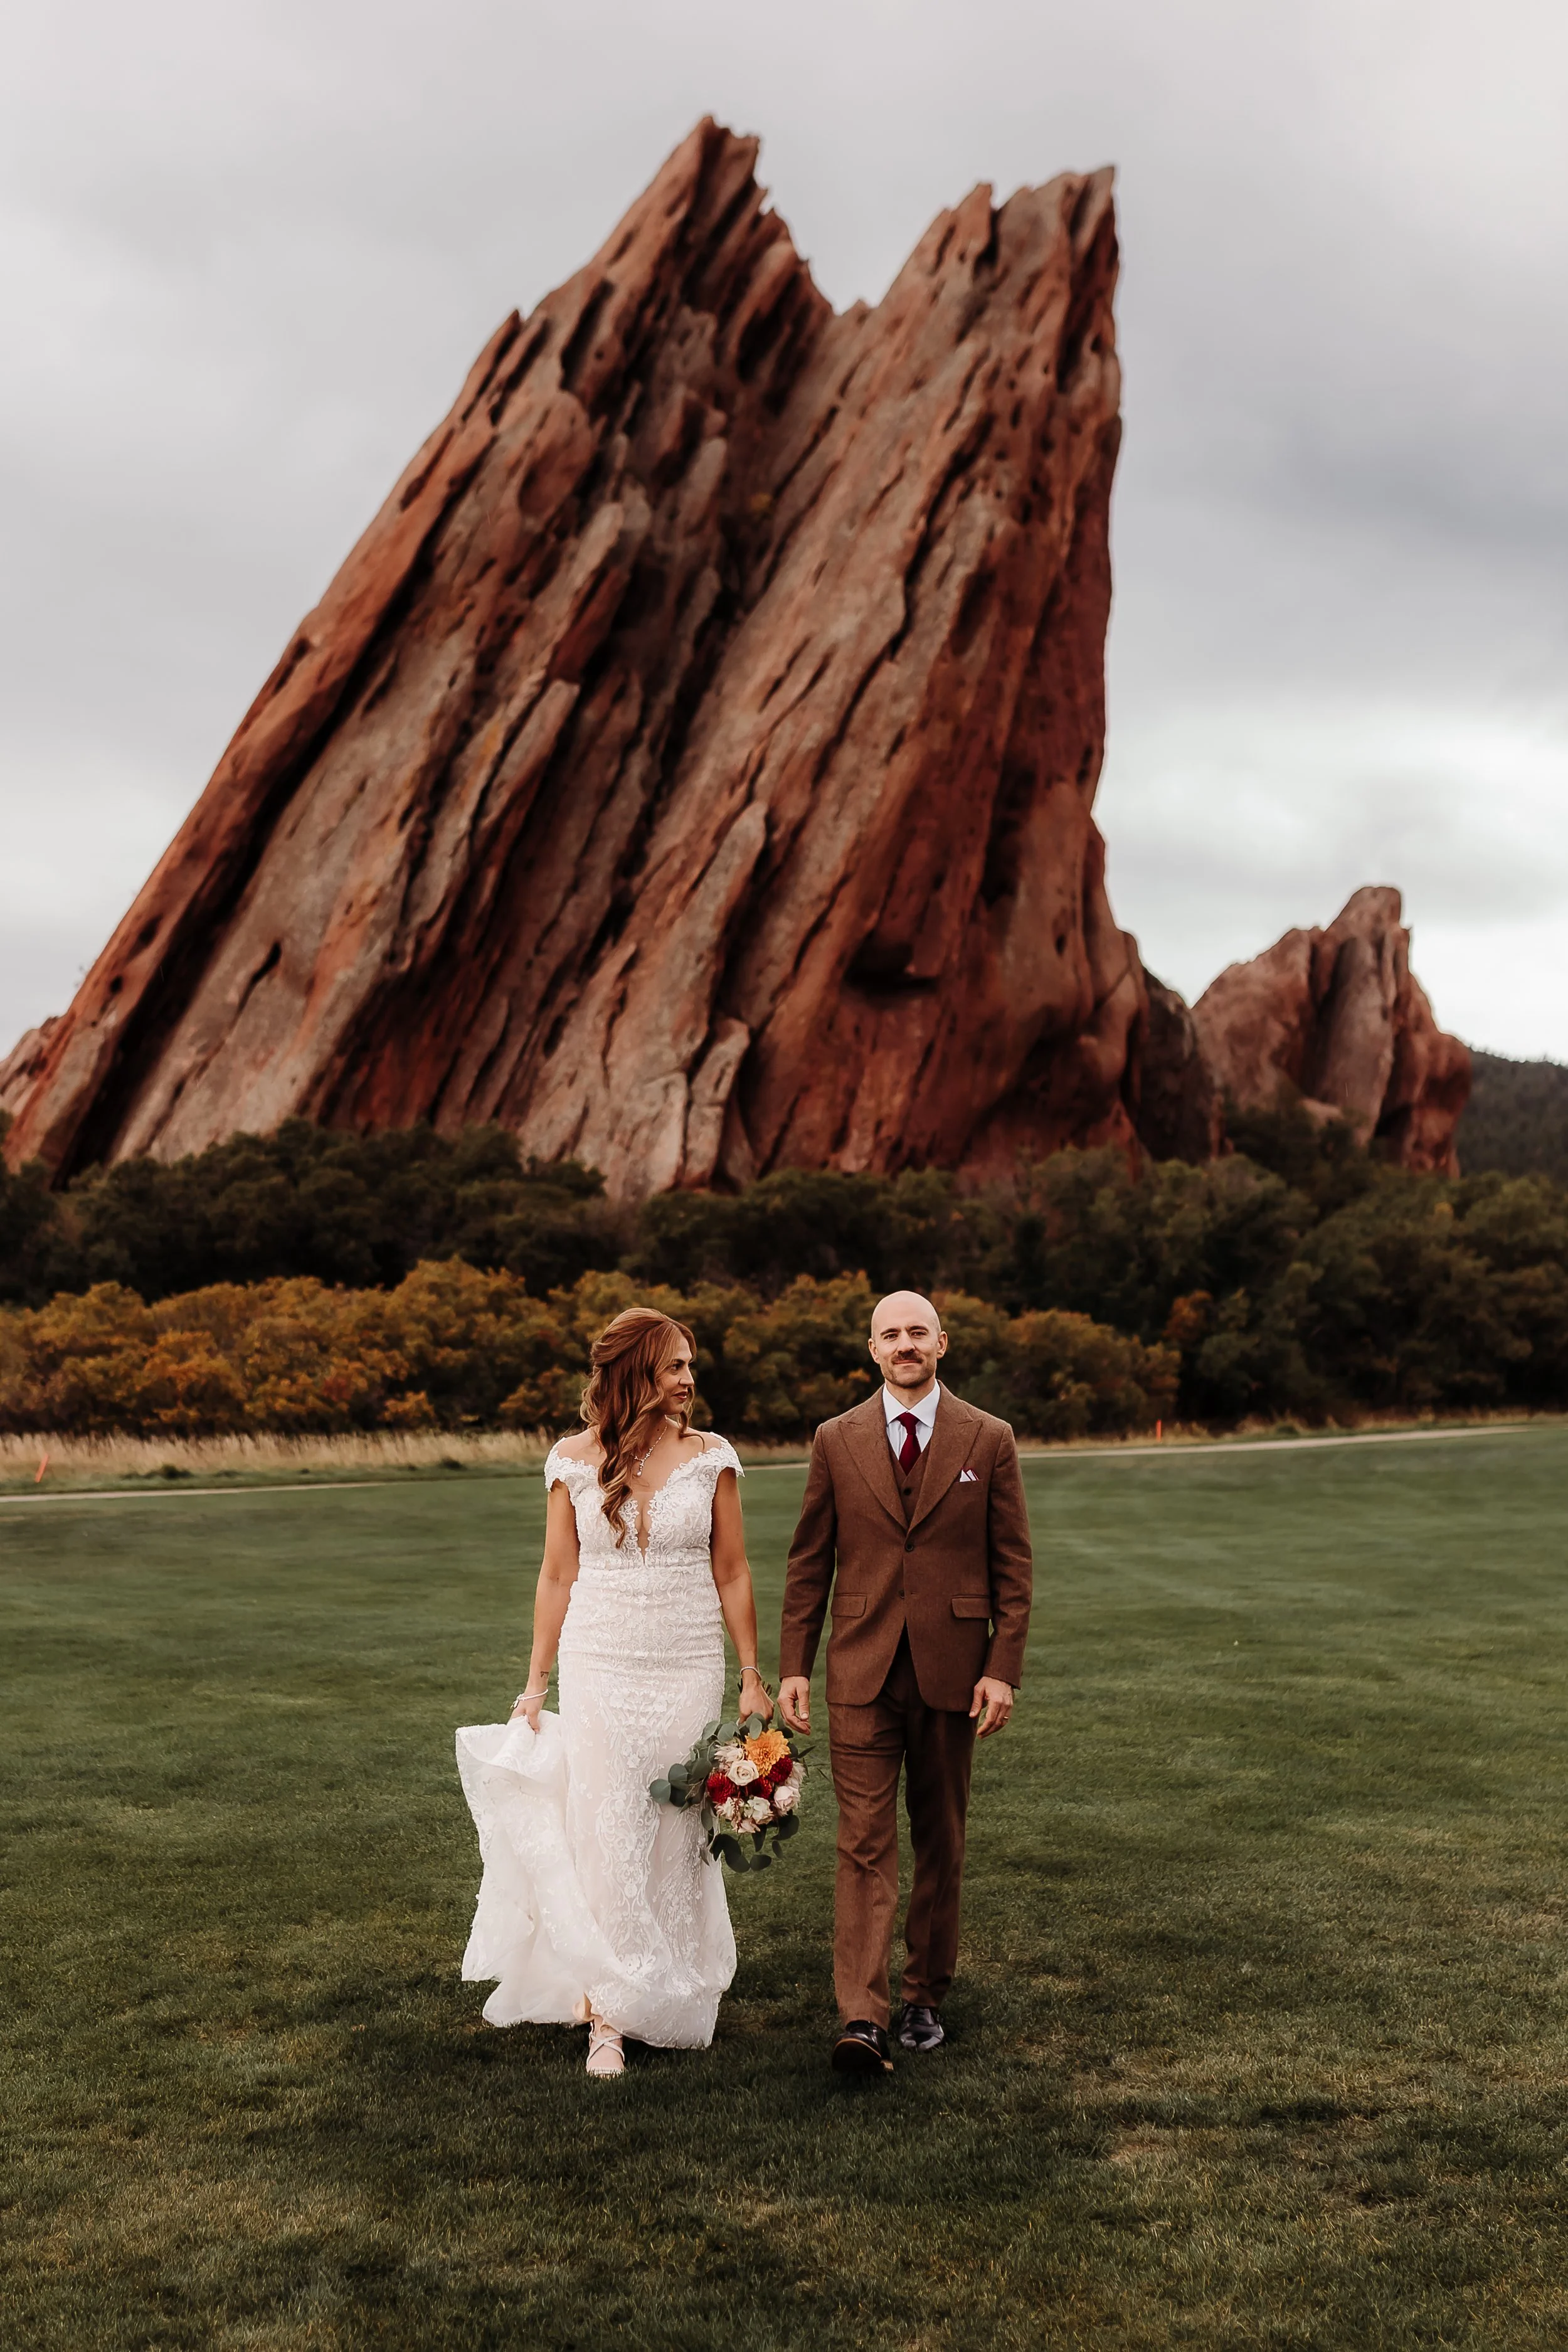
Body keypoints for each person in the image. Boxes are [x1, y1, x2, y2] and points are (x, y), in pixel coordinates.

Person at [456, 1306, 772, 2078]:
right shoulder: (570, 1460)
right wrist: (534, 1685)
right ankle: (608, 2011)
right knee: (606, 1824)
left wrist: (752, 1676)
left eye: (692, 1366)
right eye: (675, 1367)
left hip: (686, 1661)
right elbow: (558, 1574)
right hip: (600, 1660)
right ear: (635, 1373)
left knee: (674, 1823)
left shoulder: (712, 1457)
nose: (690, 1380)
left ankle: (674, 1984)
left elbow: (731, 1570)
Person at [778, 1290, 1032, 2074]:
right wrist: (794, 1663)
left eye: (917, 1332)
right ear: (872, 1349)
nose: (905, 1344)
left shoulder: (988, 1438)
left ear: (942, 1343)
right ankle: (863, 2016)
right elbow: (809, 1560)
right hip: (859, 1667)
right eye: (891, 1334)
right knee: (861, 1842)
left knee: (940, 1838)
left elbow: (1012, 1571)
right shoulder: (836, 1438)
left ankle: (925, 1991)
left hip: (954, 1672)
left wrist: (1001, 1669)